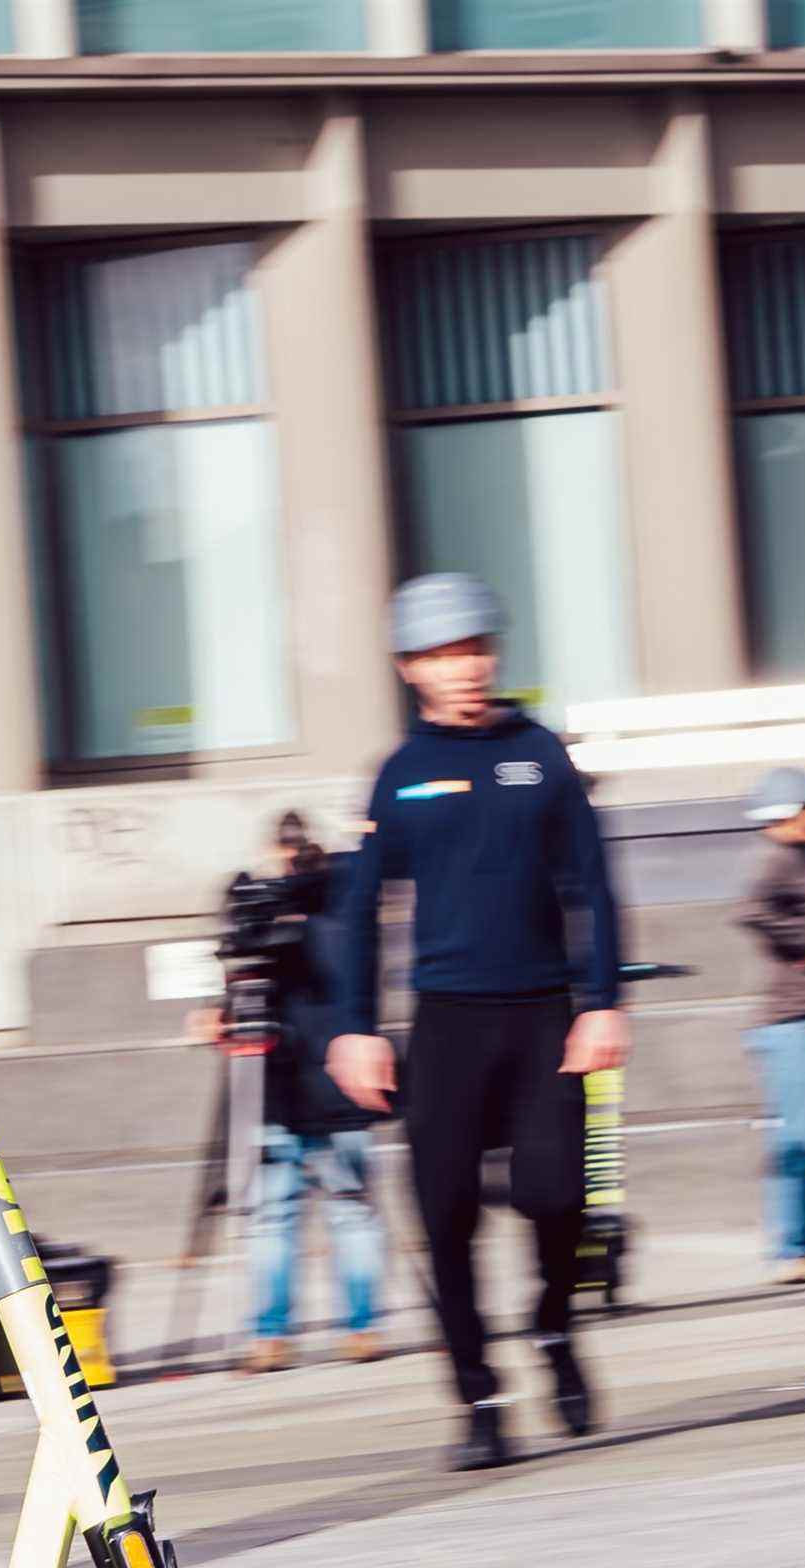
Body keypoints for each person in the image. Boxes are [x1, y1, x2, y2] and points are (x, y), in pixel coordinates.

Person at [322, 573, 630, 1471]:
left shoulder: (538, 754)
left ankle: (552, 1329)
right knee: (445, 1213)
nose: (466, 669)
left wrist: (604, 1000)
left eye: (476, 650)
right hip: (447, 1024)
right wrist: (354, 1024)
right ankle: (479, 1398)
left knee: (554, 1194)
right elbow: (358, 907)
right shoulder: (397, 775)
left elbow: (595, 886)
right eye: (443, 655)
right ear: (409, 667)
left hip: (544, 1018)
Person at [193, 811, 388, 1374]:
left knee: (289, 1215)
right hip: (308, 1082)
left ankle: (277, 1336)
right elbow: (239, 991)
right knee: (334, 1213)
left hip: (313, 1082)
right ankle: (354, 1330)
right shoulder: (341, 911)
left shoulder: (323, 914)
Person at [737, 766, 805, 1284]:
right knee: (800, 1138)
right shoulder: (775, 859)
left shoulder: (803, 859)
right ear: (790, 813)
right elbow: (750, 912)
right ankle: (788, 1248)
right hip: (787, 1018)